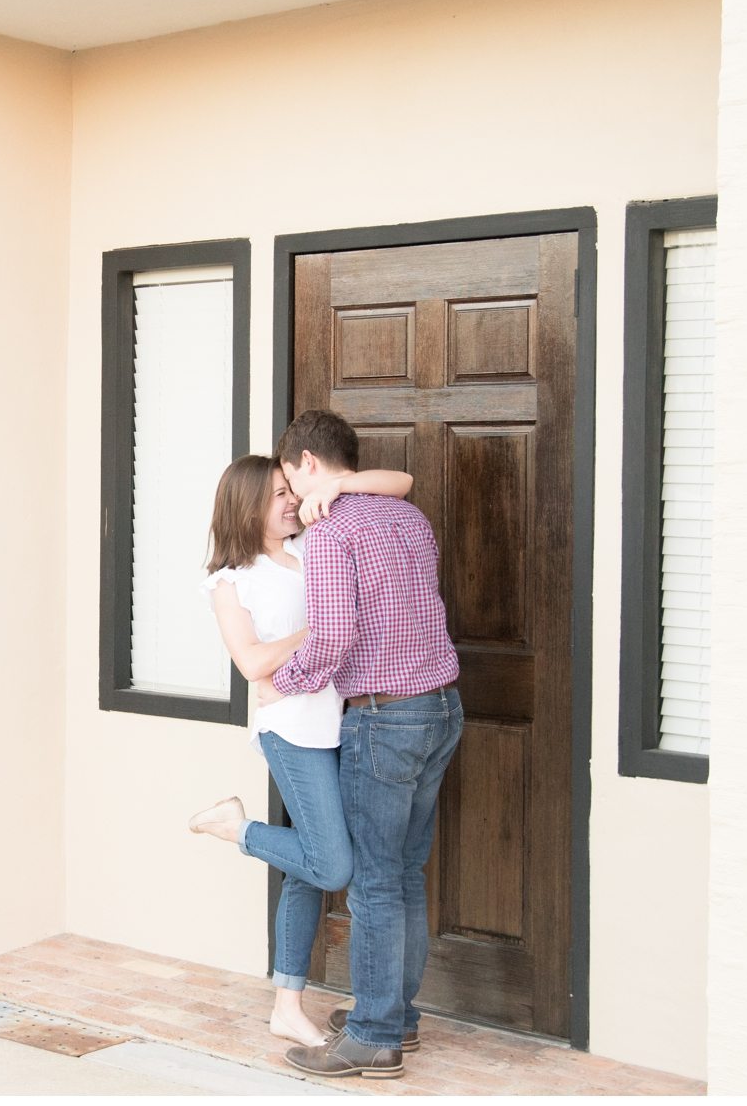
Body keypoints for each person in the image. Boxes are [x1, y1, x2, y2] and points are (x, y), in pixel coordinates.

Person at [185, 452, 413, 1047]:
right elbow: (253, 663)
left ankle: (288, 1003)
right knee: (333, 863)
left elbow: (401, 484)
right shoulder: (233, 581)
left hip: (347, 726)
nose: (291, 500)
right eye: (277, 495)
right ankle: (234, 829)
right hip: (291, 733)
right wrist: (327, 626)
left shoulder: (316, 543)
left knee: (308, 869)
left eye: (291, 488)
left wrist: (336, 484)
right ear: (246, 507)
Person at [268, 409, 461, 1081]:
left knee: (376, 881)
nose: (289, 493)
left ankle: (375, 1035)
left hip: (383, 719)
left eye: (289, 476)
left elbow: (333, 637)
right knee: (404, 872)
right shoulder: (408, 517)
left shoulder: (331, 532)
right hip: (441, 708)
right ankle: (396, 1016)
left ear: (307, 463)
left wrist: (279, 683)